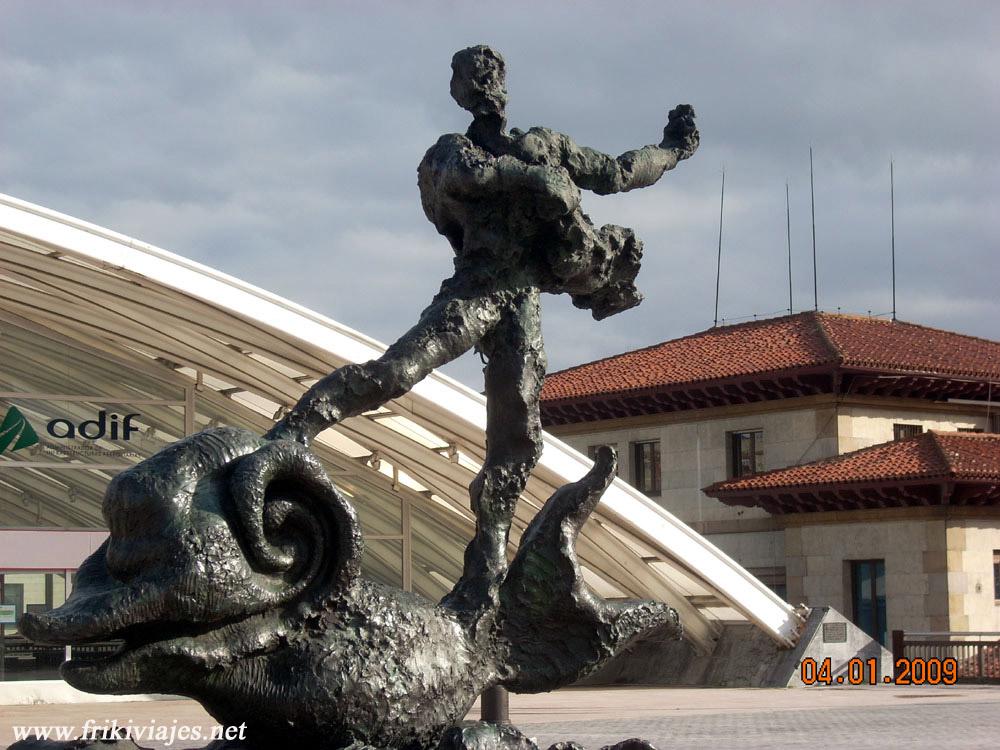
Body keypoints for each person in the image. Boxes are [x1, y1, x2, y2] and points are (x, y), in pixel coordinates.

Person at [268, 45, 698, 612]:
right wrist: (538, 181)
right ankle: (292, 431)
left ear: (504, 83)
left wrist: (670, 150)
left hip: (521, 303)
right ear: (459, 92)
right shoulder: (454, 151)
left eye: (491, 73)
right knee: (397, 370)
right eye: (471, 76)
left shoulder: (548, 145)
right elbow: (462, 184)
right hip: (474, 290)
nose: (484, 82)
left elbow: (619, 172)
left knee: (518, 439)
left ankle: (486, 568)